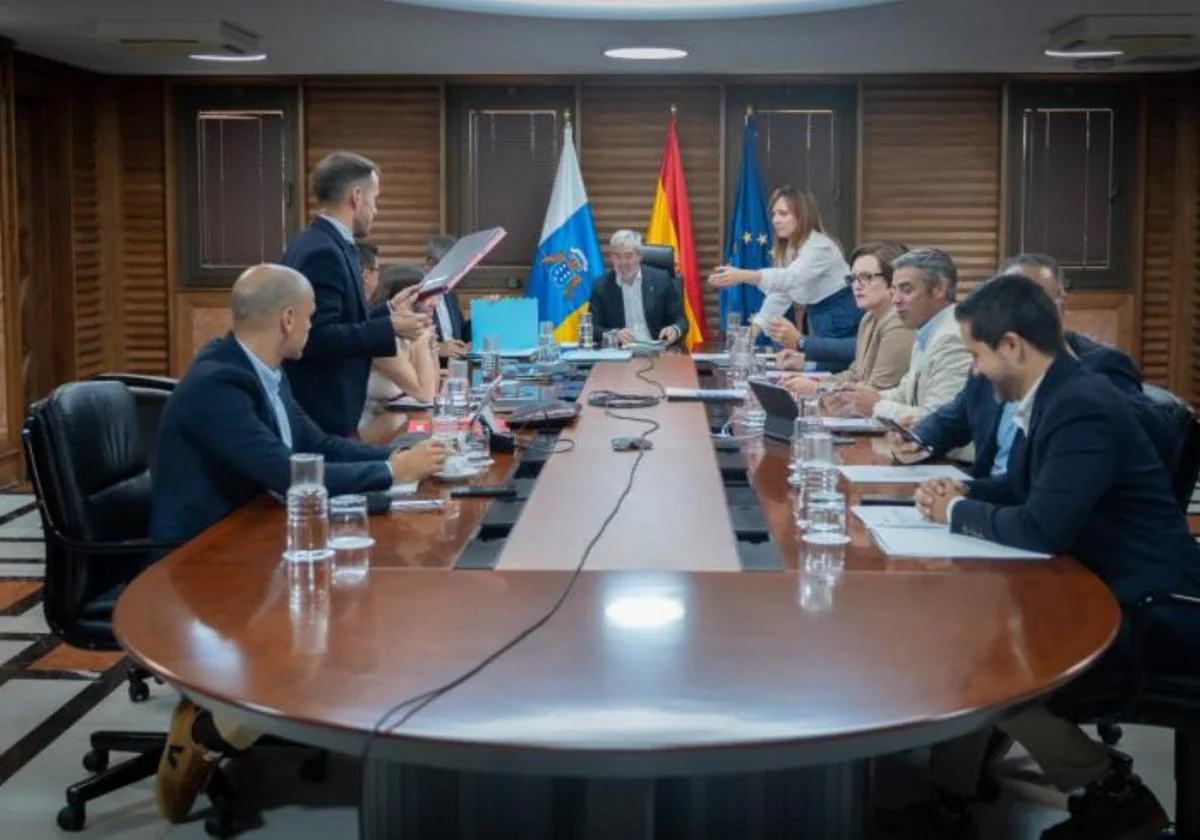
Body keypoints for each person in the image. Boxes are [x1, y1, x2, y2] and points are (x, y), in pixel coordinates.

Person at [897, 273, 1200, 840]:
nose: (975, 370)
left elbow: (1039, 527)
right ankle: (950, 801)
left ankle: (1111, 790)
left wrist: (955, 516)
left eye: (977, 354)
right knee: (972, 646)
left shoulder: (1080, 404)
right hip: (1102, 582)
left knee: (991, 670)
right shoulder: (1059, 391)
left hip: (1150, 609)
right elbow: (1024, 486)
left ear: (1012, 345)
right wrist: (963, 493)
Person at [150, 264, 446, 823]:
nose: (315, 327)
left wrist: (395, 461)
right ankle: (209, 729)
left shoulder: (262, 370)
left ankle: (287, 705)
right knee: (334, 604)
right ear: (287, 319)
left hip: (255, 528)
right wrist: (391, 474)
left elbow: (315, 443)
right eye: (311, 318)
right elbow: (289, 471)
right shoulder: (220, 382)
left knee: (359, 586)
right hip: (201, 558)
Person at [897, 253, 1179, 475]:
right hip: (995, 494)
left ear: (1061, 308)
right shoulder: (991, 362)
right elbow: (954, 417)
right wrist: (918, 437)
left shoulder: (1101, 365)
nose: (1027, 312)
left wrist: (1066, 372)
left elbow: (1140, 437)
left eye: (1038, 300)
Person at [282, 150, 429, 436]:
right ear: (356, 196)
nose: (376, 210)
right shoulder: (323, 251)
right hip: (322, 406)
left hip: (331, 404)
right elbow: (316, 336)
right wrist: (388, 327)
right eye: (375, 200)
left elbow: (344, 320)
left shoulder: (327, 242)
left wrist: (388, 310)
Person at [709, 186, 860, 372]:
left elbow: (791, 278)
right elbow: (780, 294)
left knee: (838, 369)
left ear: (802, 215)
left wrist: (742, 275)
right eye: (774, 214)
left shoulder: (820, 246)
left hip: (842, 315)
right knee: (822, 369)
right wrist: (750, 334)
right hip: (819, 317)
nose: (775, 220)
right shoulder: (788, 249)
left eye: (783, 214)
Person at [824, 248, 971, 424]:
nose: (895, 300)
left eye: (906, 290)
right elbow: (905, 394)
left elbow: (940, 421)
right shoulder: (927, 330)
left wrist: (876, 406)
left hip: (947, 452)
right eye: (894, 290)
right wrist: (857, 398)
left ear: (939, 289)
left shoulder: (953, 338)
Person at [779, 241, 914, 397]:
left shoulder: (900, 322)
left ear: (893, 280)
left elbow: (876, 390)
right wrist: (814, 382)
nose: (856, 286)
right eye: (853, 278)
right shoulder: (869, 318)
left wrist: (817, 389)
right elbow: (854, 374)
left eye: (866, 277)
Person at [360, 265, 440, 428]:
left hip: (400, 424)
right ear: (402, 298)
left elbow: (434, 389)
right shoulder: (381, 339)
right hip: (370, 433)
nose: (434, 304)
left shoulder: (408, 335)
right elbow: (426, 395)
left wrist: (430, 347)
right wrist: (423, 340)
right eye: (428, 296)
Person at [589, 229, 687, 346]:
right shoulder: (601, 286)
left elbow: (681, 320)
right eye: (617, 256)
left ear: (639, 256)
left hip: (657, 350)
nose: (623, 262)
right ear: (612, 258)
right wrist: (614, 334)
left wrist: (674, 330)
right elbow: (592, 328)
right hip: (621, 354)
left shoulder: (661, 279)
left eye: (628, 256)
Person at [423, 234, 471, 359]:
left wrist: (485, 312)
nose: (455, 275)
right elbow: (404, 344)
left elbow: (462, 334)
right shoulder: (413, 295)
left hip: (457, 367)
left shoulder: (450, 293)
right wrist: (438, 348)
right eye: (450, 268)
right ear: (430, 263)